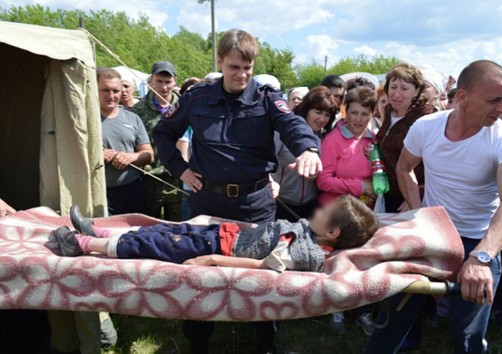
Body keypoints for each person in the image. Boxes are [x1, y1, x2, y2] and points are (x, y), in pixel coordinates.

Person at [153, 29, 322, 354]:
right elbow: (163, 132)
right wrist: (181, 169)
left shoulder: (267, 97)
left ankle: (265, 340)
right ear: (220, 62)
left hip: (254, 203)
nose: (242, 74)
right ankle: (199, 340)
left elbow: (294, 126)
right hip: (208, 200)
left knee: (264, 274)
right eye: (234, 67)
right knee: (201, 268)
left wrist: (309, 150)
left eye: (247, 67)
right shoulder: (197, 98)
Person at [365, 60, 502, 354]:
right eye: (494, 100)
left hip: (477, 242)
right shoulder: (427, 127)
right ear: (463, 98)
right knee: (392, 323)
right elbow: (405, 169)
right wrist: (420, 217)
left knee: (468, 337)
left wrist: (482, 257)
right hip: (431, 237)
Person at [54, 196, 378, 274]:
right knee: (166, 229)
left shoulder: (306, 253)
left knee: (155, 244)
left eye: (325, 212)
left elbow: (266, 266)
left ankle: (81, 244)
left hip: (218, 246)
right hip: (224, 232)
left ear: (333, 232)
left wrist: (213, 259)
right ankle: (95, 230)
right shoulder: (310, 232)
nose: (318, 210)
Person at [317, 86, 378, 334]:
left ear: (372, 114)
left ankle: (363, 311)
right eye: (353, 112)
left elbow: (379, 174)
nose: (358, 119)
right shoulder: (333, 139)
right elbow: (323, 180)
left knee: (363, 261)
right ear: (345, 110)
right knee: (336, 260)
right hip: (335, 211)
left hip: (364, 211)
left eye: (364, 113)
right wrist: (359, 185)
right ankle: (336, 309)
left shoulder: (374, 141)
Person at [375, 63, 435, 213]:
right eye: (393, 87)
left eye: (404, 88)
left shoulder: (427, 116)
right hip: (389, 193)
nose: (396, 94)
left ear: (416, 91)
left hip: (412, 197)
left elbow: (439, 161)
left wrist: (419, 194)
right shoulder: (389, 110)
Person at [272, 86, 337, 222]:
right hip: (281, 203)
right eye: (318, 112)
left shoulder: (327, 137)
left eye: (327, 115)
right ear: (306, 110)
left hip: (311, 205)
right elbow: (265, 161)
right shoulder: (284, 133)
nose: (322, 119)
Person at [99, 68, 153, 215]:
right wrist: (96, 155)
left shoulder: (132, 118)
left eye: (115, 91)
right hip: (97, 194)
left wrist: (131, 157)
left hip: (131, 191)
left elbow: (149, 155)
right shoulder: (86, 120)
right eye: (105, 90)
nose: (111, 96)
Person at [132, 61, 182, 220]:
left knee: (179, 227)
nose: (164, 86)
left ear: (175, 80)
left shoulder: (185, 107)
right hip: (150, 178)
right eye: (159, 81)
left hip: (179, 179)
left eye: (168, 82)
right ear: (150, 81)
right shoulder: (138, 110)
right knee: (149, 225)